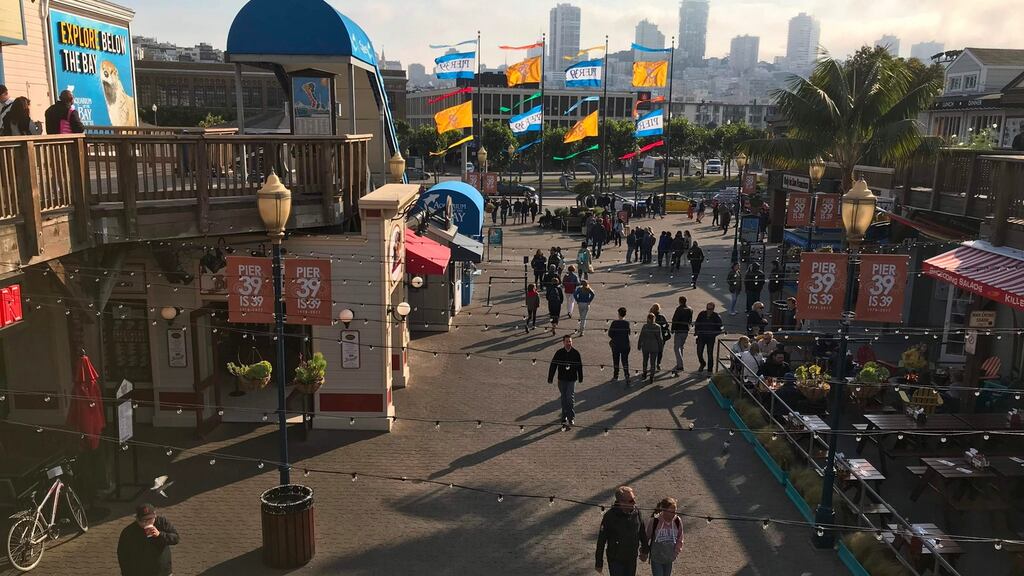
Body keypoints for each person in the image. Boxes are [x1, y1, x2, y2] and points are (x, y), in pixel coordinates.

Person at [596, 486, 650, 576]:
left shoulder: (636, 513)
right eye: (631, 501)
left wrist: (645, 550)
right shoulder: (610, 517)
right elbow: (601, 541)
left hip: (631, 558)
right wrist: (599, 562)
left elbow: (642, 532)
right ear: (621, 502)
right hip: (616, 560)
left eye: (634, 499)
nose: (634, 502)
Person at [117, 503, 180, 576]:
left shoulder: (162, 522)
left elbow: (176, 538)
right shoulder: (128, 532)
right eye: (144, 520)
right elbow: (123, 555)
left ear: (155, 515)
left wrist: (160, 534)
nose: (147, 523)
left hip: (163, 571)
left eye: (150, 519)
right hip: (141, 572)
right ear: (137, 519)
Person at [547, 335, 583, 425]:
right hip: (562, 379)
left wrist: (580, 377)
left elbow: (580, 366)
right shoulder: (559, 353)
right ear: (563, 342)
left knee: (570, 398)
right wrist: (550, 377)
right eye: (567, 341)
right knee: (564, 398)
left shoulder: (576, 353)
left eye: (570, 341)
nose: (568, 343)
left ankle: (571, 417)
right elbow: (553, 365)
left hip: (572, 379)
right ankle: (564, 417)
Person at [645, 497, 684, 576]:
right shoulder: (655, 521)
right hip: (656, 558)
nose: (674, 514)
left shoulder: (677, 521)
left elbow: (680, 537)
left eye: (675, 511)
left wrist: (676, 551)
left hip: (669, 558)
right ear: (663, 510)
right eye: (671, 512)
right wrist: (644, 552)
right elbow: (646, 537)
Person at [693, 303, 723, 372]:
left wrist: (714, 334)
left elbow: (721, 327)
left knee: (710, 354)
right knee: (699, 352)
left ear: (713, 309)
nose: (709, 310)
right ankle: (702, 363)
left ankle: (710, 369)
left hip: (710, 338)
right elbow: (697, 323)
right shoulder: (702, 314)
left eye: (710, 309)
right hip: (701, 337)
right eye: (708, 308)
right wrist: (696, 331)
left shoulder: (716, 316)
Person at [608, 307, 632, 384]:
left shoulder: (614, 323)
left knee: (616, 360)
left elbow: (610, 334)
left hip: (616, 345)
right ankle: (627, 375)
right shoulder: (627, 323)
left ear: (618, 314)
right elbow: (629, 333)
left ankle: (616, 376)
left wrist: (615, 337)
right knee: (625, 361)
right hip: (625, 345)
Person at [638, 313, 664, 383]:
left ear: (648, 319)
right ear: (654, 319)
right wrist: (661, 348)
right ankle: (651, 377)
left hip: (645, 346)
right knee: (653, 362)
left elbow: (641, 336)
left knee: (645, 361)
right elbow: (660, 339)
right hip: (654, 347)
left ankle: (644, 373)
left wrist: (639, 345)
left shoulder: (645, 326)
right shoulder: (658, 327)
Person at [670, 296, 693, 373]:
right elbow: (690, 320)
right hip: (685, 330)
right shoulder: (690, 309)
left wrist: (672, 329)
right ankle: (679, 362)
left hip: (679, 330)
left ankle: (680, 365)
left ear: (680, 301)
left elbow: (675, 320)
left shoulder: (679, 309)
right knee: (681, 347)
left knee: (676, 348)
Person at [650, 304, 671, 371]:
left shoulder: (651, 317)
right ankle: (658, 363)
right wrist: (663, 326)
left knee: (653, 351)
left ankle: (652, 365)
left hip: (653, 337)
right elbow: (666, 325)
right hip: (661, 337)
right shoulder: (661, 317)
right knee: (660, 351)